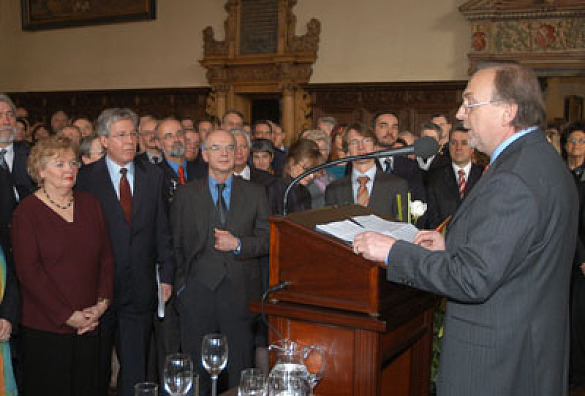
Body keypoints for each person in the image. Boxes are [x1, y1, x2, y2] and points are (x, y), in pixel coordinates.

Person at [353, 64, 577, 395]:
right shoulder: (538, 159)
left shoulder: (513, 177)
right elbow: (521, 253)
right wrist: (452, 245)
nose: (460, 113)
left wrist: (392, 251)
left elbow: (473, 279)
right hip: (528, 346)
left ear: (507, 111)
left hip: (497, 363)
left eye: (469, 103)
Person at [76, 108, 175, 396]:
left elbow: (162, 230)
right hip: (96, 291)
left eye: (133, 133)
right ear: (104, 140)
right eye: (121, 135)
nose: (130, 140)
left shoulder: (153, 175)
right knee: (96, 371)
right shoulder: (85, 179)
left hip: (140, 289)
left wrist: (166, 276)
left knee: (135, 372)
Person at [11, 136, 114, 396]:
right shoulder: (27, 212)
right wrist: (68, 316)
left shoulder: (90, 204)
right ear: (40, 171)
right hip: (46, 327)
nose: (70, 169)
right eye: (60, 164)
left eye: (73, 163)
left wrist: (101, 304)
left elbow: (106, 257)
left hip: (89, 324)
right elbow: (28, 273)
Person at [171, 129, 269, 395]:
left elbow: (269, 240)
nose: (224, 153)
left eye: (229, 147)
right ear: (204, 154)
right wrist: (182, 287)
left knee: (239, 369)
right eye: (216, 148)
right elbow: (176, 245)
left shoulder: (256, 193)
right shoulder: (185, 195)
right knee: (197, 373)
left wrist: (238, 244)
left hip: (240, 293)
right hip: (196, 293)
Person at [325, 123, 408, 219]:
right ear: (347, 151)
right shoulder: (334, 189)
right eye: (354, 142)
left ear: (375, 147)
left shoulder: (396, 184)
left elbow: (402, 225)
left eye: (367, 141)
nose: (361, 147)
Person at [425, 127, 483, 229]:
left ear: (473, 148)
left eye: (464, 143)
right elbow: (432, 218)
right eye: (454, 143)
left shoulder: (484, 176)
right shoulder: (435, 177)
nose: (458, 148)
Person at [269, 139, 322, 215]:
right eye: (306, 169)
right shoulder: (274, 188)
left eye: (313, 171)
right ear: (291, 163)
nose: (311, 176)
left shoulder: (304, 192)